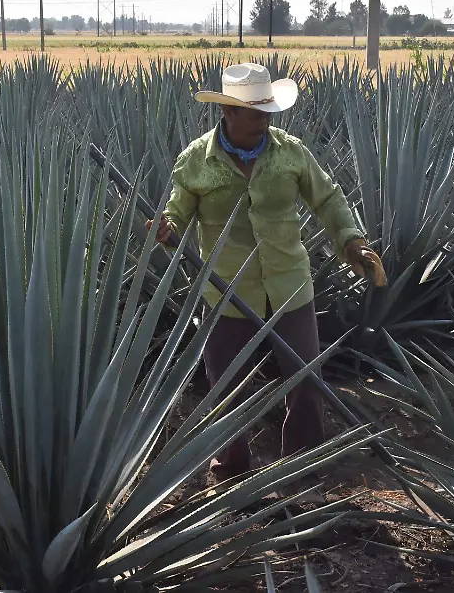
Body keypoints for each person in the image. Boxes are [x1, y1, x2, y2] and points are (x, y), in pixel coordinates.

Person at [147, 62, 381, 484]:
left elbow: (327, 199)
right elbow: (178, 215)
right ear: (229, 113)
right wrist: (167, 229)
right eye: (255, 113)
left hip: (289, 285)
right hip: (227, 292)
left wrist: (352, 241)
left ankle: (301, 474)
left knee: (306, 383)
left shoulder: (289, 152)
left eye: (268, 112)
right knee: (225, 389)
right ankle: (230, 474)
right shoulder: (196, 161)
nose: (264, 121)